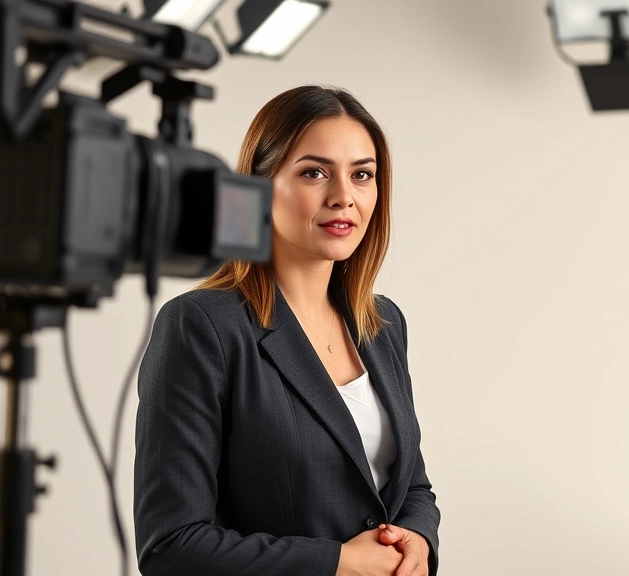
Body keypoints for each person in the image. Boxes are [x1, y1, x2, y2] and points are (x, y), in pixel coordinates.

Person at [134, 85, 440, 576]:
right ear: (258, 187)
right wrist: (339, 563)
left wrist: (419, 538)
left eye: (362, 175)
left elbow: (410, 485)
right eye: (315, 173)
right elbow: (171, 545)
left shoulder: (383, 325)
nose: (344, 197)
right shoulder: (202, 326)